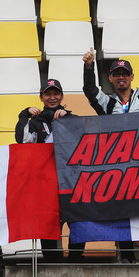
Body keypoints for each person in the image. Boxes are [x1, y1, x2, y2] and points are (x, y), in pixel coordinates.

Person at [82, 48, 139, 263]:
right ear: (111, 78)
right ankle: (126, 256)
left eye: (125, 74)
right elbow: (90, 91)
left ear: (132, 77)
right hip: (117, 167)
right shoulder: (108, 103)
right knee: (120, 210)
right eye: (117, 74)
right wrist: (88, 67)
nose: (121, 77)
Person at [15, 79, 85, 262]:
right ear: (41, 97)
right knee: (48, 222)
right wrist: (24, 115)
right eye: (48, 94)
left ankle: (76, 261)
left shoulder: (72, 119)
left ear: (61, 96)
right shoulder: (35, 122)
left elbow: (85, 136)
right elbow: (22, 141)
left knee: (78, 220)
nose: (52, 97)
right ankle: (53, 264)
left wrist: (67, 119)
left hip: (71, 180)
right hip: (46, 182)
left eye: (56, 94)